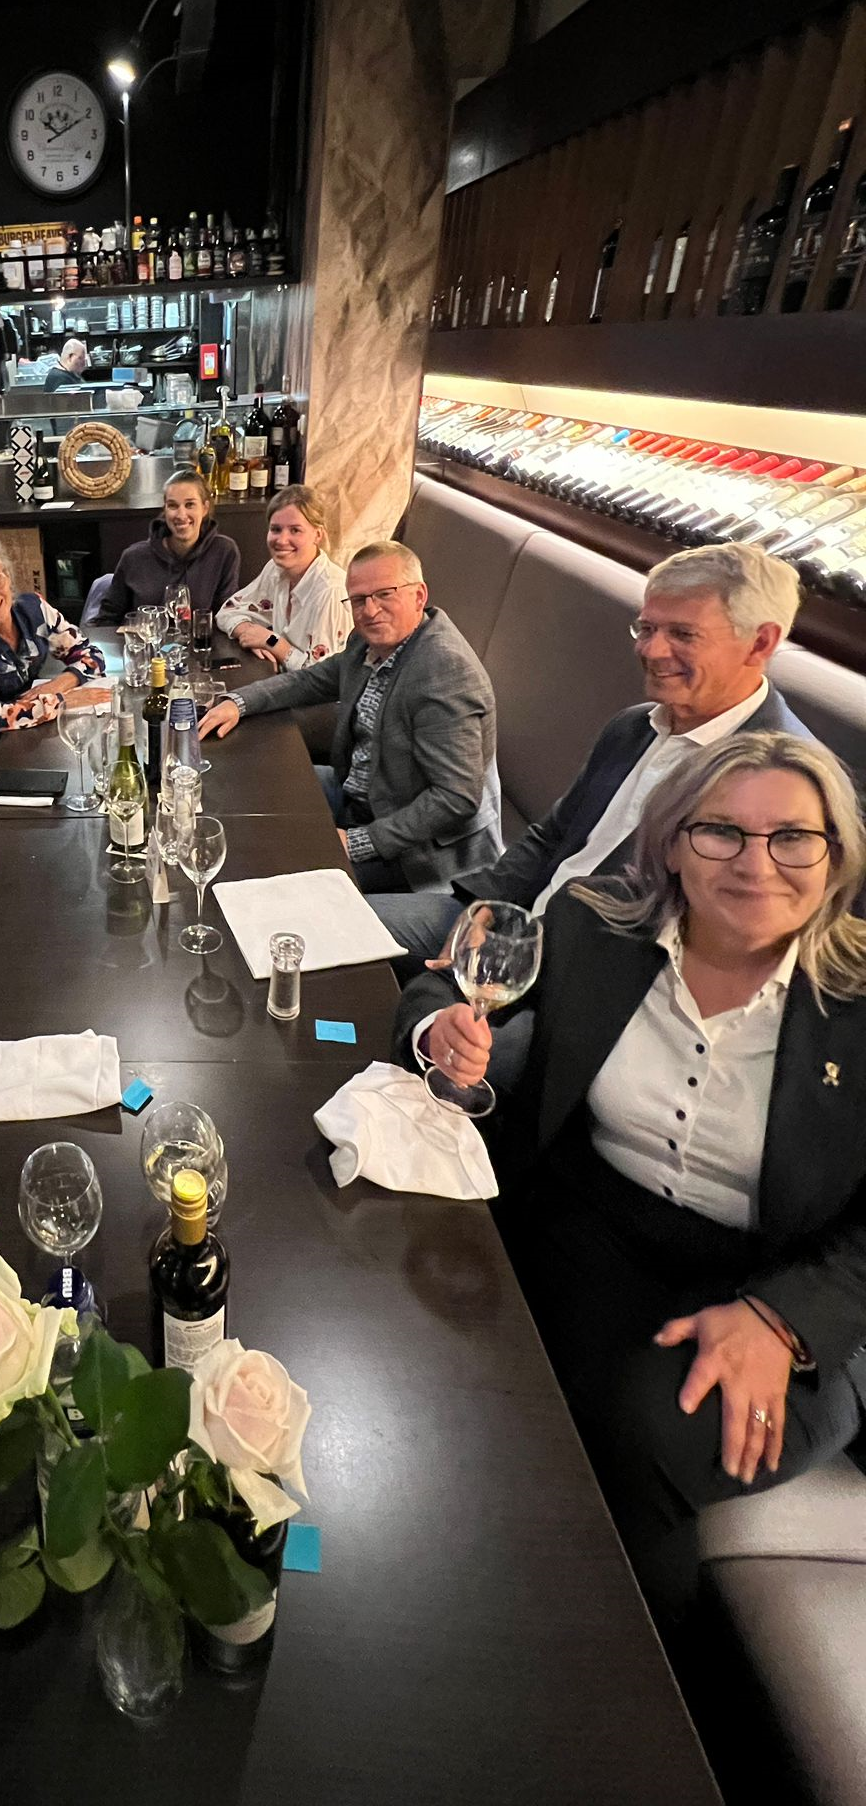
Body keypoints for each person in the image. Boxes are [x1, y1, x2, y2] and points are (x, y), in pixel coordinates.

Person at [394, 733, 866, 1627]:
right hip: (591, 1222)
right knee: (440, 1336)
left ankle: (632, 1679)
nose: (756, 863)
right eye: (721, 832)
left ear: (836, 857)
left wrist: (786, 1321)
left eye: (793, 838)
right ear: (673, 846)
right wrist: (439, 1033)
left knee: (646, 1426)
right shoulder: (595, 927)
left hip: (791, 1280)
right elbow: (443, 988)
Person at [369, 544, 812, 1083]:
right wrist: (485, 910)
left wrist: (521, 954)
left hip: (586, 989)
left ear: (760, 643)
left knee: (430, 1061)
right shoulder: (633, 727)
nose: (652, 650)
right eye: (646, 628)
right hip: (512, 923)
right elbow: (551, 836)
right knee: (330, 927)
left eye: (682, 634)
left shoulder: (781, 784)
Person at [199, 540, 499, 894]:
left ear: (419, 596)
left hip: (417, 854)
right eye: (358, 600)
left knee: (283, 880)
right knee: (246, 787)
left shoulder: (444, 672)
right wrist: (238, 702)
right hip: (362, 793)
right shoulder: (369, 642)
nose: (370, 610)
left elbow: (456, 799)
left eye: (384, 594)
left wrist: (357, 841)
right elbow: (310, 680)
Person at [0, 538, 108, 734]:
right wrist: (60, 702)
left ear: (8, 576)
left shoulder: (34, 609)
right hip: (0, 741)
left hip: (39, 728)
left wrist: (60, 683)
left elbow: (91, 655)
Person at [215, 483, 352, 670]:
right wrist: (249, 633)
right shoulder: (276, 570)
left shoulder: (331, 592)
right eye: (276, 529)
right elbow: (227, 612)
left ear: (318, 535)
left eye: (295, 530)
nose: (281, 540)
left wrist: (271, 641)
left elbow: (324, 676)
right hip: (283, 681)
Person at [98, 468, 242, 622]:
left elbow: (228, 616)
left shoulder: (224, 551)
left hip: (202, 638)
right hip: (144, 637)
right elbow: (106, 620)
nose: (181, 515)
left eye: (190, 505)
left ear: (205, 508)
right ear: (165, 510)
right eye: (173, 505)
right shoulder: (133, 557)